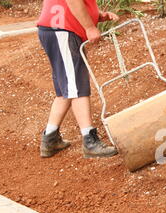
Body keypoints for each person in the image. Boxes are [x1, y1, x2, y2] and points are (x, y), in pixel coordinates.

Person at [37, 0, 119, 158]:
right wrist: (89, 27)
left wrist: (96, 15)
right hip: (61, 30)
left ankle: (50, 138)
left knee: (66, 89)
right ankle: (90, 142)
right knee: (77, 88)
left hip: (56, 29)